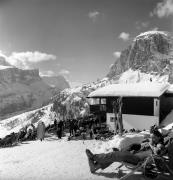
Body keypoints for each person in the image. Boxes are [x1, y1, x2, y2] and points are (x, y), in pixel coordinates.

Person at [85, 125, 173, 173]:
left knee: (115, 155)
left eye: (154, 138)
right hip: (133, 155)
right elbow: (141, 146)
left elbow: (158, 151)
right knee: (115, 154)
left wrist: (151, 144)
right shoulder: (152, 141)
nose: (152, 139)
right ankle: (95, 167)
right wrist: (139, 146)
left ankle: (94, 157)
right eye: (152, 137)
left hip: (138, 160)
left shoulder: (159, 144)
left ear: (158, 138)